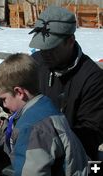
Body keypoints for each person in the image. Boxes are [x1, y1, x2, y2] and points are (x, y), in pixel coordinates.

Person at [0, 53, 88, 176]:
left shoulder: (32, 128)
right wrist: (0, 127)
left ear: (19, 92)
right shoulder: (44, 107)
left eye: (3, 99)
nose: (3, 105)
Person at [29, 5, 103, 160]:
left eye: (51, 47)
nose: (45, 53)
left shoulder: (93, 78)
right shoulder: (35, 64)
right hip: (31, 150)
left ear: (70, 41)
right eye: (42, 47)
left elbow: (90, 133)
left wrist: (49, 139)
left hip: (72, 160)